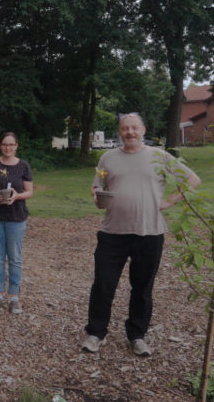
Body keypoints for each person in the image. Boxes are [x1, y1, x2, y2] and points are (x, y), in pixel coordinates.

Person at [81, 112, 200, 356]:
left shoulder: (158, 156)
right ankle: (96, 333)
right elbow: (98, 185)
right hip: (112, 233)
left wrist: (170, 201)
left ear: (143, 130)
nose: (130, 133)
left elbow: (192, 179)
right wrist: (97, 195)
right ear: (120, 131)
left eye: (134, 128)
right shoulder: (107, 158)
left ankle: (137, 335)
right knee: (103, 285)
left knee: (142, 288)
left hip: (149, 233)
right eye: (125, 128)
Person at [0, 132, 34, 314]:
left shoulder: (23, 166)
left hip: (16, 217)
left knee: (15, 258)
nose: (8, 148)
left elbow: (29, 192)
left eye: (11, 144)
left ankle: (14, 297)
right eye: (5, 144)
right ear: (0, 146)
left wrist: (17, 196)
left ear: (16, 146)